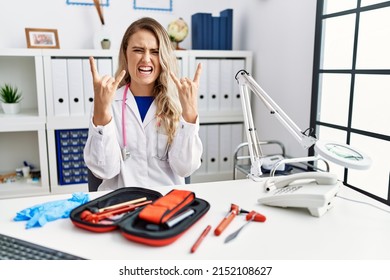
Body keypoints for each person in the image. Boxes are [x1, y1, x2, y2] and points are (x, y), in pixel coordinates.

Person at [83, 17, 203, 191]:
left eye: (155, 51)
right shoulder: (108, 103)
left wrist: (190, 115)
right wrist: (101, 113)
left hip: (166, 205)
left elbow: (184, 169)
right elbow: (104, 171)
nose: (146, 59)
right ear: (125, 53)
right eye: (138, 50)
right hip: (120, 206)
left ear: (163, 57)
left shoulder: (179, 104)